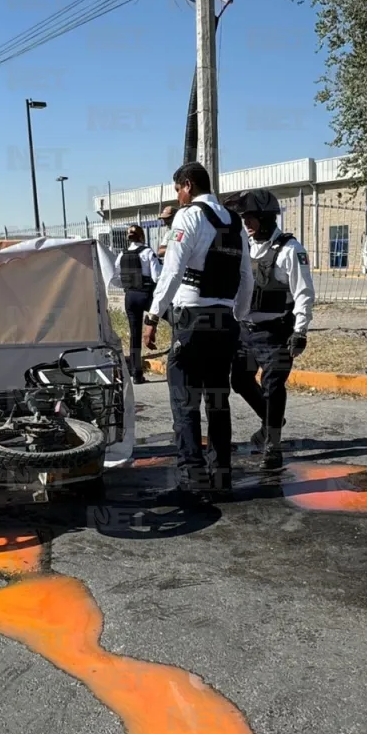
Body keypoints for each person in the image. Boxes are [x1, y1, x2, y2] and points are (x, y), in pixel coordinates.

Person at [143, 162, 252, 497]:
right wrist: (239, 317)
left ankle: (192, 480)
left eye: (178, 190)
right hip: (226, 323)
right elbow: (246, 278)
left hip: (192, 320)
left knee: (185, 402)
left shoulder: (189, 216)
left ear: (187, 185)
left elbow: (172, 272)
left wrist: (151, 318)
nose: (178, 197)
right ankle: (221, 476)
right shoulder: (236, 223)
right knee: (218, 401)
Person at [227, 189, 315, 470]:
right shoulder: (246, 247)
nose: (246, 223)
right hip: (245, 330)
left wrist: (300, 331)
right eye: (244, 218)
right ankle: (271, 420)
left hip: (276, 332)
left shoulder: (290, 249)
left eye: (250, 218)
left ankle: (272, 445)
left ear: (265, 218)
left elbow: (304, 293)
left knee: (273, 384)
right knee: (240, 381)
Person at [112, 224, 161, 383]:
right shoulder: (147, 252)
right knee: (174, 319)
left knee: (134, 335)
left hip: (130, 297)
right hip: (146, 295)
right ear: (142, 237)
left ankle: (136, 374)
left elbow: (116, 278)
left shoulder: (121, 255)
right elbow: (156, 277)